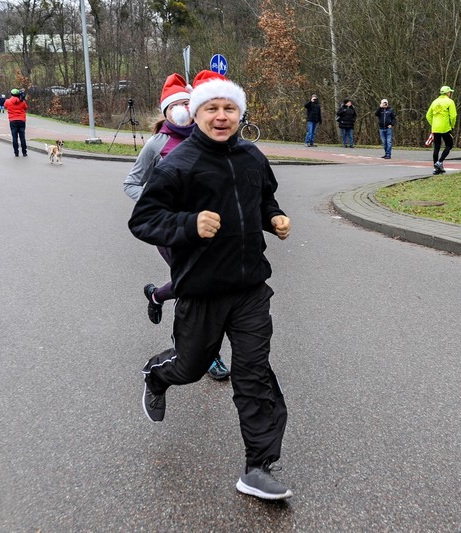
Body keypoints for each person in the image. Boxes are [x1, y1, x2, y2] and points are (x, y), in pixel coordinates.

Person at [129, 70, 293, 501]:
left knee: (254, 373)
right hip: (201, 290)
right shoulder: (178, 164)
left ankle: (258, 466)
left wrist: (272, 218)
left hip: (250, 289)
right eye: (212, 109)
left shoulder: (253, 157)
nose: (221, 117)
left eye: (229, 108)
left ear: (240, 113)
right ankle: (157, 376)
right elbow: (143, 220)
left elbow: (263, 199)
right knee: (191, 367)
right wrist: (188, 223)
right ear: (196, 113)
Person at [123, 73, 231, 381]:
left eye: (188, 103)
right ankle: (206, 354)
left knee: (201, 285)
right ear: (166, 111)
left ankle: (157, 296)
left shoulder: (209, 138)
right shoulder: (157, 144)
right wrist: (158, 201)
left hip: (207, 230)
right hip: (170, 231)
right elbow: (131, 182)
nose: (183, 109)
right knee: (200, 289)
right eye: (177, 104)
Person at [4, 88, 28, 157]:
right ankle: (24, 152)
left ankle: (16, 152)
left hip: (13, 121)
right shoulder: (22, 101)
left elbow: (5, 106)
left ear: (11, 94)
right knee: (22, 137)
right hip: (21, 120)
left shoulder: (8, 101)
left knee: (14, 137)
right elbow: (26, 108)